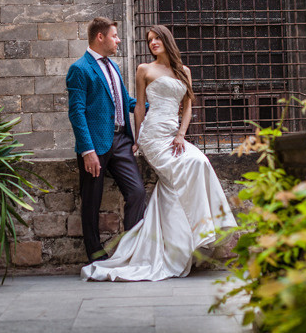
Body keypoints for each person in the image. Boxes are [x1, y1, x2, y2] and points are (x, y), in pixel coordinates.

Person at [81, 25, 236, 281]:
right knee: (188, 169)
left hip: (174, 136)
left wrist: (181, 135)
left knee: (198, 163)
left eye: (156, 39)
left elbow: (187, 106)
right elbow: (139, 107)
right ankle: (195, 235)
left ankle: (182, 245)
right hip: (153, 137)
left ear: (166, 40)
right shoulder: (144, 69)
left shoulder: (184, 71)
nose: (152, 43)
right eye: (149, 40)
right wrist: (139, 139)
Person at [67, 17, 147, 262]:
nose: (118, 40)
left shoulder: (113, 67)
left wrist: (157, 106)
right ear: (100, 37)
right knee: (91, 201)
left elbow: (126, 102)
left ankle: (130, 248)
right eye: (115, 35)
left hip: (121, 141)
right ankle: (95, 254)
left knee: (137, 192)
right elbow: (76, 112)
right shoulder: (79, 69)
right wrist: (87, 150)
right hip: (95, 146)